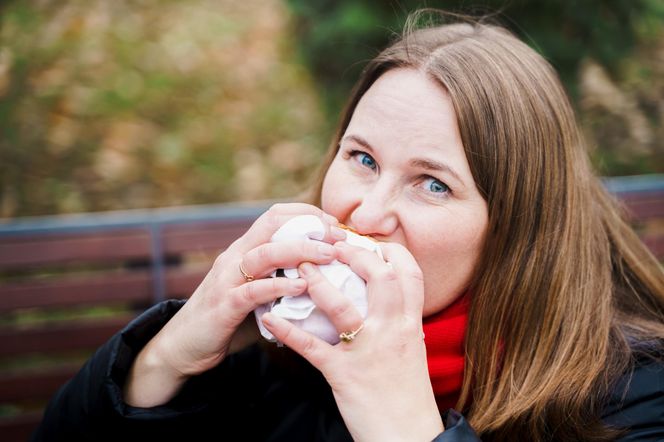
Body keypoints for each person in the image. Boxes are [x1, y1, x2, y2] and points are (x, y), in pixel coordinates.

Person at [33, 11, 664, 442]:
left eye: (433, 183)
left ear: (517, 229)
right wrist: (168, 354)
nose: (364, 214)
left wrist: (401, 415)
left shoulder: (632, 397)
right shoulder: (281, 352)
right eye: (362, 159)